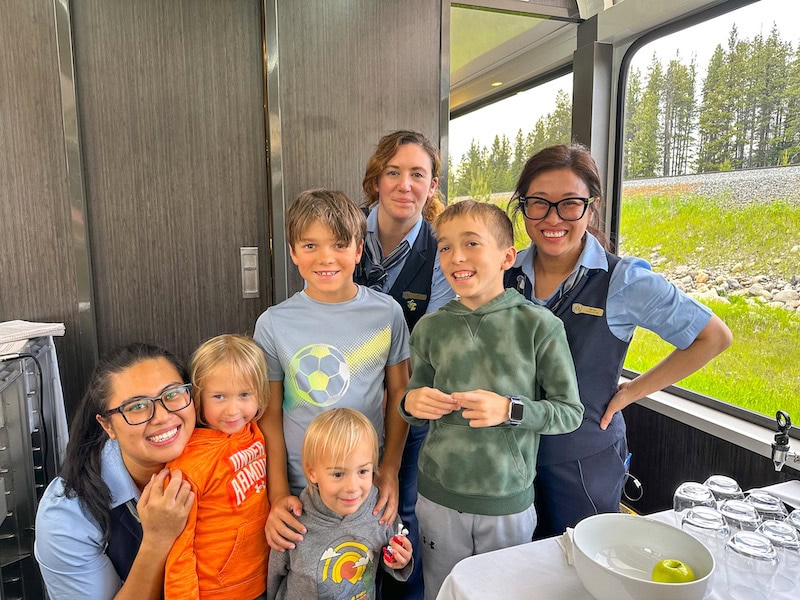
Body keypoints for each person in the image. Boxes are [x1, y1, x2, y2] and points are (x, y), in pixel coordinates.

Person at [505, 143, 733, 538]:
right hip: (506, 456)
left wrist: (633, 391)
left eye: (570, 204)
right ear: (523, 206)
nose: (553, 218)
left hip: (582, 460)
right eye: (538, 203)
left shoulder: (623, 280)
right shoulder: (504, 273)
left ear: (591, 207)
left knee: (580, 571)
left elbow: (713, 337)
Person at [400, 200, 584, 599]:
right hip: (437, 496)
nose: (456, 257)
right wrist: (411, 404)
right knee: (441, 591)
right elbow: (414, 397)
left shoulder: (540, 326)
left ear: (506, 256)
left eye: (471, 243)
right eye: (445, 247)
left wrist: (509, 409)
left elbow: (569, 412)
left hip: (507, 501)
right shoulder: (430, 328)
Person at [255, 189, 410, 555]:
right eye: (310, 246)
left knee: (362, 576)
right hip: (301, 490)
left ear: (358, 250)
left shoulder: (386, 314)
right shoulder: (274, 324)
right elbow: (270, 415)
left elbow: (400, 397)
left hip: (363, 486)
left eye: (340, 244)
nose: (326, 257)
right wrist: (277, 493)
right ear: (293, 252)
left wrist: (388, 471)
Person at [355, 129, 455, 599]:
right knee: (337, 506)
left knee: (400, 510)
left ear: (432, 186)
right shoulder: (344, 230)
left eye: (418, 174)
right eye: (393, 173)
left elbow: (429, 343)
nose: (404, 185)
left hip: (407, 403)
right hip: (342, 399)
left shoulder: (441, 249)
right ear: (376, 180)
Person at [34, 343, 196, 600]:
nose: (163, 416)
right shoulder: (67, 514)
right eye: (137, 407)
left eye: (172, 394)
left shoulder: (225, 452)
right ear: (107, 425)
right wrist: (156, 540)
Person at [266, 408, 413, 599]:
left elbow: (391, 553)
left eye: (362, 472)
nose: (352, 487)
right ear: (312, 473)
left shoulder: (380, 509)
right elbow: (275, 576)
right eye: (338, 474)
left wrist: (401, 560)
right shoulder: (293, 522)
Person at [164, 334, 269, 599]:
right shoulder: (188, 464)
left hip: (263, 580)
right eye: (219, 396)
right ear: (198, 398)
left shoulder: (253, 432)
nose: (233, 410)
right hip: (216, 592)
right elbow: (178, 547)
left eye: (244, 394)